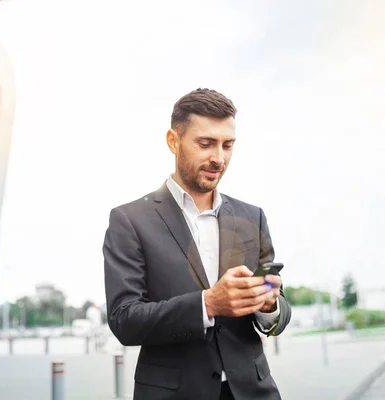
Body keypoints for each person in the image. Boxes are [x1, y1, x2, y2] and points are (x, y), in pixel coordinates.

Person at [103, 88, 291, 399]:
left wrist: (268, 302)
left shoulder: (252, 217)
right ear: (173, 141)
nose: (218, 158)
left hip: (253, 392)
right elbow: (124, 319)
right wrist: (208, 304)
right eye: (205, 144)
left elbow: (277, 309)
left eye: (227, 145)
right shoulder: (129, 220)